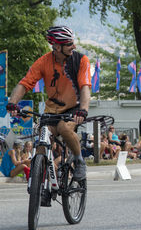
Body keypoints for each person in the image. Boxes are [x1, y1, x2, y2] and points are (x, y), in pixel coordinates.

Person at [6, 26, 90, 183]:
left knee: (64, 128)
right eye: (69, 43)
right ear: (57, 47)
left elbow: (85, 86)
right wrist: (12, 103)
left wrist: (83, 110)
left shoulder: (81, 60)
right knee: (42, 146)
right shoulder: (43, 62)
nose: (74, 46)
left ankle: (79, 161)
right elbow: (25, 84)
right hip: (52, 110)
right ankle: (41, 183)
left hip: (74, 108)